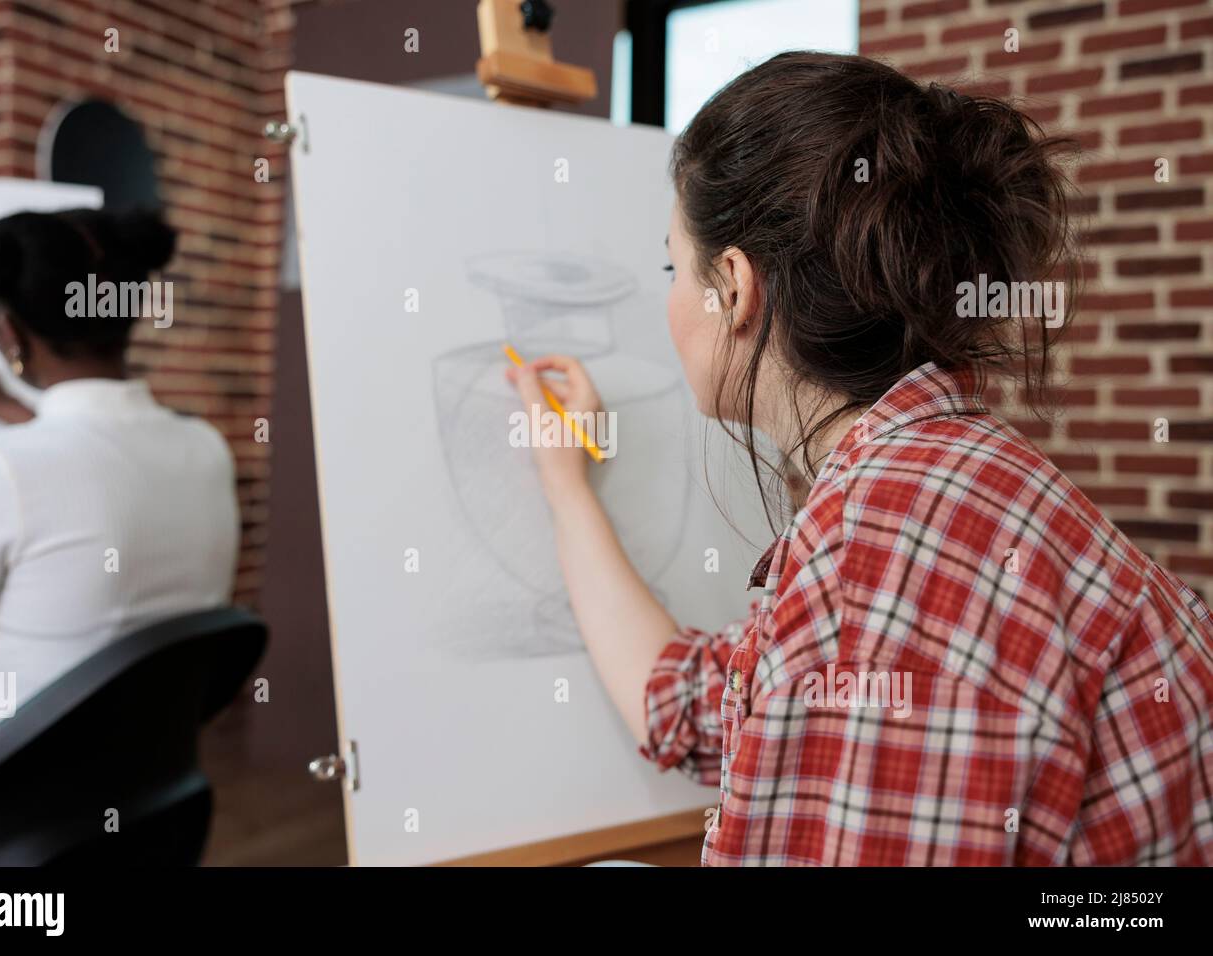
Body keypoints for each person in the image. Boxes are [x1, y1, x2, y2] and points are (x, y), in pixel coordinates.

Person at [507, 52, 1213, 866]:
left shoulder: (877, 560)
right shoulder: (942, 476)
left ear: (732, 289)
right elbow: (697, 705)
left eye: (674, 266)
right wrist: (569, 490)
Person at [0, 207, 238, 777]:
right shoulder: (206, 448)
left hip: (12, 800)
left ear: (8, 333)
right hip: (144, 793)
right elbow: (93, 459)